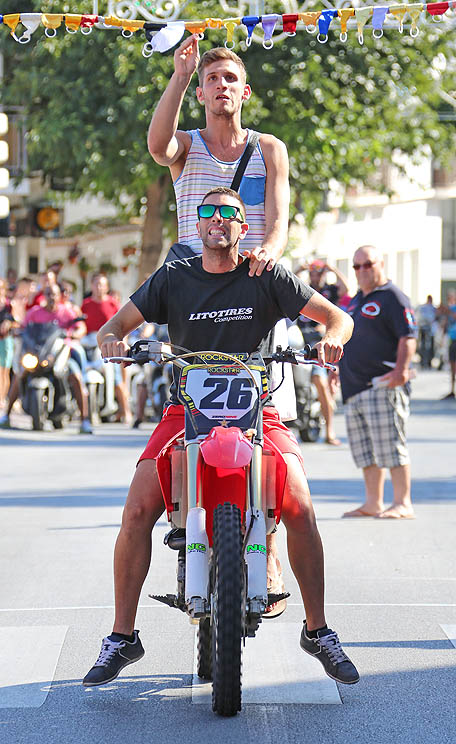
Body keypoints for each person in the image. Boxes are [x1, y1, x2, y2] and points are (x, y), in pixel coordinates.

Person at [82, 187, 359, 688]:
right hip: (183, 410)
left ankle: (317, 630)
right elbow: (115, 324)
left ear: (242, 225)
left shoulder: (266, 275)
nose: (216, 220)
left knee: (300, 505)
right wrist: (113, 342)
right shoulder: (173, 277)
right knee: (139, 508)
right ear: (197, 224)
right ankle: (122, 636)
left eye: (228, 213)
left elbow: (338, 317)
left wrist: (332, 340)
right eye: (207, 211)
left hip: (258, 411)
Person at [148, 38, 292, 612]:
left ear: (245, 90)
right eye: (213, 80)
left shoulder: (269, 148)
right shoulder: (188, 147)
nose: (222, 86)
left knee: (271, 410)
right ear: (203, 92)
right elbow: (158, 144)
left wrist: (269, 258)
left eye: (231, 78)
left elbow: (279, 220)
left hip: (254, 286)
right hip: (193, 289)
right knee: (187, 407)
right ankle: (185, 518)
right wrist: (179, 73)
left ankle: (271, 545)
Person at [332, 245, 417, 519]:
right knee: (365, 450)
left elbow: (408, 336)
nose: (362, 271)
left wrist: (401, 370)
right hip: (354, 387)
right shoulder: (357, 299)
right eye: (357, 266)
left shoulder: (392, 297)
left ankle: (403, 502)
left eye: (368, 264)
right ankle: (373, 502)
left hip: (381, 384)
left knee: (391, 445)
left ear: (381, 264)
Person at [0, 284, 92, 433]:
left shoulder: (66, 312)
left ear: (59, 296)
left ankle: (84, 420)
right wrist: (16, 330)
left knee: (75, 376)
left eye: (54, 294)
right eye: (48, 294)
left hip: (61, 354)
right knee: (20, 373)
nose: (51, 297)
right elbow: (23, 327)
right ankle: (6, 416)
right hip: (38, 353)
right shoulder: (35, 312)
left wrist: (76, 333)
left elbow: (81, 327)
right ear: (44, 296)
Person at [296, 260, 349, 446]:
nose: (315, 276)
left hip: (318, 344)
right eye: (312, 273)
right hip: (299, 341)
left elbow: (346, 289)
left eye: (318, 273)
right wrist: (299, 269)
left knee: (319, 381)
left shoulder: (330, 291)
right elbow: (284, 284)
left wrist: (333, 269)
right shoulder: (304, 288)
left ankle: (329, 431)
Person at [82, 274, 131, 423]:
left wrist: (123, 344)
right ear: (91, 286)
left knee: (116, 377)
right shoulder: (86, 304)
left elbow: (123, 325)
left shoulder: (112, 304)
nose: (99, 287)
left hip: (109, 346)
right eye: (96, 284)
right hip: (90, 345)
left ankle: (125, 411)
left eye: (102, 284)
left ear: (107, 287)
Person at [0, 278, 15, 409]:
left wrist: (9, 323)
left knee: (4, 371)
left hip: (5, 340)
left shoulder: (9, 305)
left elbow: (16, 321)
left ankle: (2, 397)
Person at [442, 289, 456, 398]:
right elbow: (445, 324)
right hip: (452, 340)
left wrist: (449, 312)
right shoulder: (449, 310)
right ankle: (452, 390)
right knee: (452, 366)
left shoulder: (451, 310)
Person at [416, 294, 437, 369]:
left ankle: (429, 361)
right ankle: (423, 361)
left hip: (431, 331)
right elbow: (421, 317)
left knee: (430, 346)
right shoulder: (423, 308)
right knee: (423, 345)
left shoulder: (433, 308)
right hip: (424, 329)